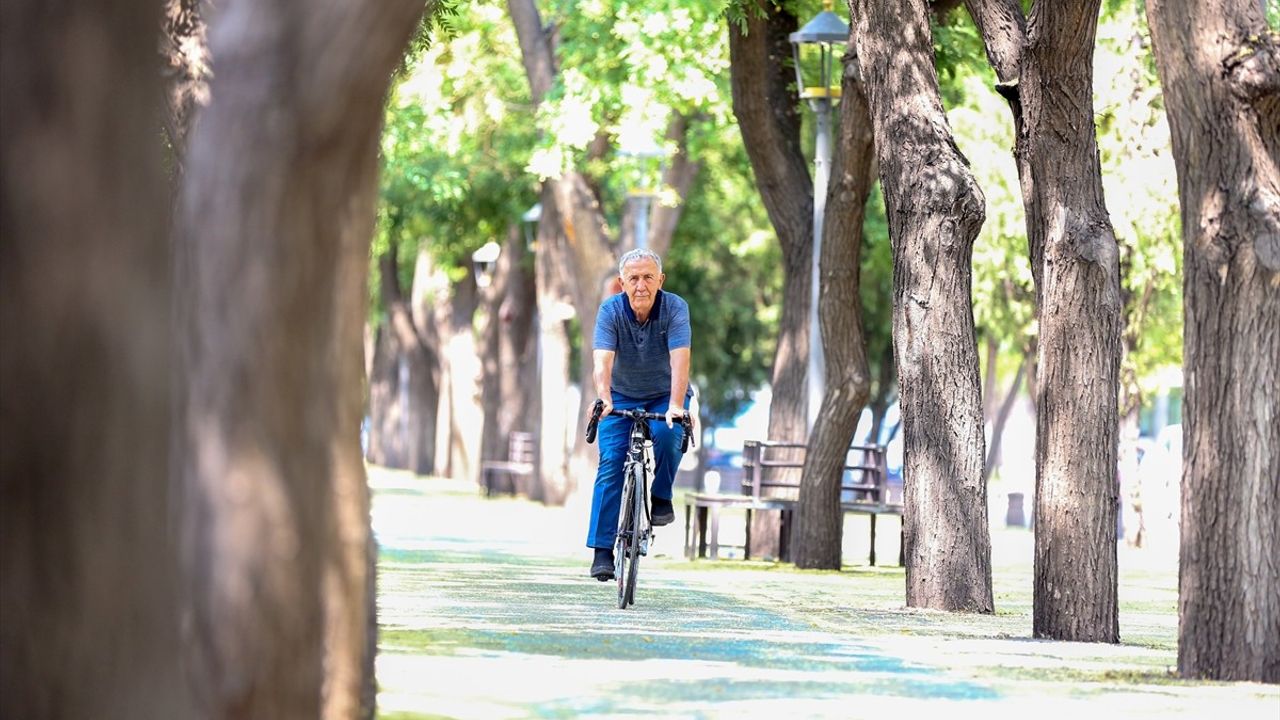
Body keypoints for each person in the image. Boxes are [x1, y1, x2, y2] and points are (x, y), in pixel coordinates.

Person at [587, 248, 693, 580]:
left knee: (668, 434)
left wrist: (676, 405)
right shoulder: (610, 311)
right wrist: (604, 398)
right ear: (622, 283)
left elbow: (680, 361)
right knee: (611, 461)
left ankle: (661, 495)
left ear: (660, 280)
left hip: (665, 394)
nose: (641, 285)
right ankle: (602, 551)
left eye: (648, 277)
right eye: (633, 278)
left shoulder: (675, 308)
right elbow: (602, 363)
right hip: (619, 396)